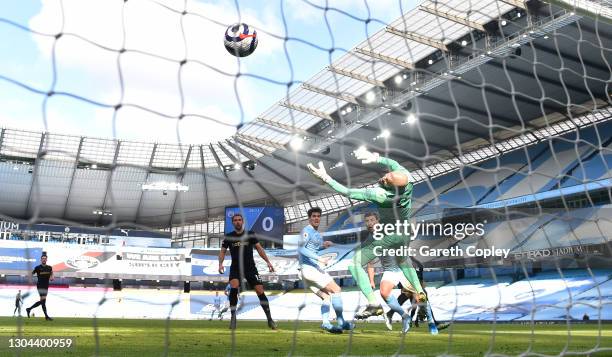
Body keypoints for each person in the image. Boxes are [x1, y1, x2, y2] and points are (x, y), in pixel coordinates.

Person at [308, 147, 426, 319]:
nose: (384, 178)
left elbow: (346, 192)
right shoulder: (407, 180)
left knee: (354, 263)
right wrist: (376, 158)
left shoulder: (380, 195)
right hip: (404, 233)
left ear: (390, 187)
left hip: (387, 234)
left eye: (386, 181)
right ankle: (420, 292)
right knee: (402, 259)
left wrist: (326, 178)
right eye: (387, 176)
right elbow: (393, 164)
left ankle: (373, 303)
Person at [298, 207, 353, 333]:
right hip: (310, 269)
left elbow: (312, 249)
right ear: (309, 218)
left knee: (326, 296)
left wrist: (323, 246)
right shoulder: (306, 231)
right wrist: (319, 258)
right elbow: (301, 249)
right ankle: (341, 322)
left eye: (318, 216)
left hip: (306, 272)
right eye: (314, 216)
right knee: (337, 289)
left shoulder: (317, 234)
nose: (316, 218)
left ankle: (326, 323)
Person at [363, 212, 420, 334]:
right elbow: (370, 263)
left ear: (378, 221)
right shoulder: (369, 241)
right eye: (367, 221)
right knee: (383, 292)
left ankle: (432, 324)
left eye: (372, 220)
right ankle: (405, 316)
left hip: (404, 268)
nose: (369, 223)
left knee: (419, 298)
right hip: (390, 270)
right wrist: (372, 280)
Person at [218, 213, 277, 330]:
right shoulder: (229, 236)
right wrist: (220, 264)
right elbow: (223, 251)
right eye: (235, 220)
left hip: (250, 267)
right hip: (236, 267)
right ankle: (233, 318)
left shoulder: (250, 234)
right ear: (232, 222)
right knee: (234, 287)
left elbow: (259, 249)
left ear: (242, 221)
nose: (237, 222)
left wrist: (268, 262)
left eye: (239, 220)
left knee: (260, 291)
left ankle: (270, 319)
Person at [26, 253, 53, 321]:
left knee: (43, 301)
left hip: (46, 285)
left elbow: (52, 272)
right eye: (42, 258)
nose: (44, 259)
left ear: (46, 259)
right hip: (40, 285)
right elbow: (31, 274)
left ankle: (29, 309)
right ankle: (46, 316)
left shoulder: (49, 267)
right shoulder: (38, 267)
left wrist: (52, 277)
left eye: (45, 258)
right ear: (41, 260)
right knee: (43, 300)